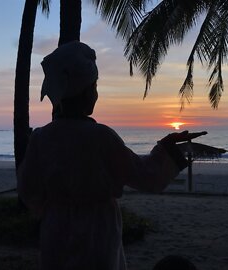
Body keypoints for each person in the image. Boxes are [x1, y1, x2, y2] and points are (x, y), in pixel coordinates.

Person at [17, 41, 206, 270]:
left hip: (55, 231)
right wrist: (169, 148)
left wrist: (56, 209)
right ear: (86, 91)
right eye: (94, 87)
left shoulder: (41, 138)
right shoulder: (101, 137)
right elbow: (146, 176)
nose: (96, 93)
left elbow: (29, 192)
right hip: (98, 232)